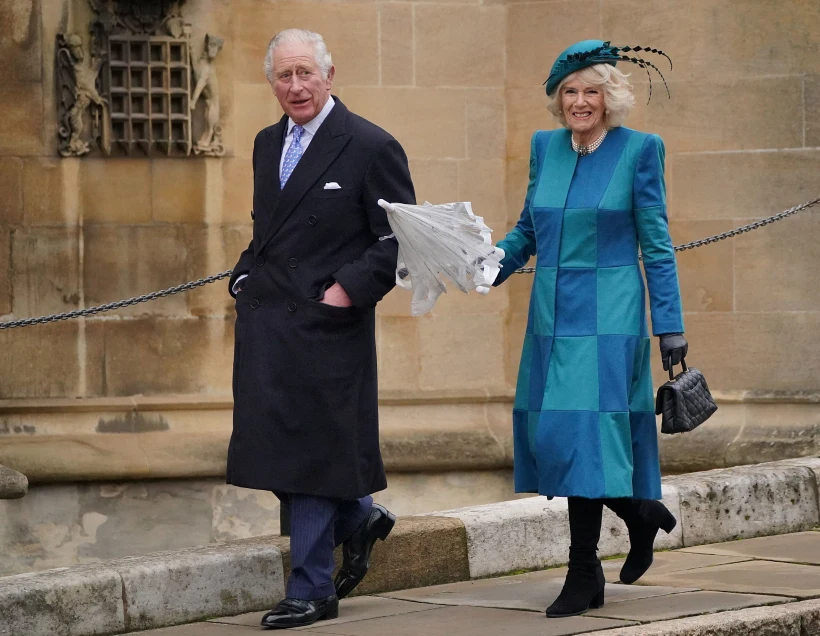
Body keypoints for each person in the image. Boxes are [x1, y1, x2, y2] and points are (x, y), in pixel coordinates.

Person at [492, 40, 688, 618]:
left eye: (591, 91)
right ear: (558, 100)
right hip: (552, 312)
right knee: (557, 433)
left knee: (584, 434)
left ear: (610, 97)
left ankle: (584, 573)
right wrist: (489, 263)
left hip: (612, 314)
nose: (580, 101)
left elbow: (656, 243)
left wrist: (669, 324)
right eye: (570, 92)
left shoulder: (640, 150)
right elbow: (528, 228)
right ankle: (637, 512)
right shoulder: (544, 148)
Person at [226, 29, 415, 630]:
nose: (296, 86)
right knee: (275, 448)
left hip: (328, 329)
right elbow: (267, 231)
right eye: (284, 76)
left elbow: (397, 242)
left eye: (306, 73)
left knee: (308, 458)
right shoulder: (264, 143)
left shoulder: (369, 144)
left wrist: (344, 292)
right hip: (268, 324)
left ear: (330, 76)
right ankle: (358, 515)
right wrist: (243, 274)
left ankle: (310, 588)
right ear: (271, 82)